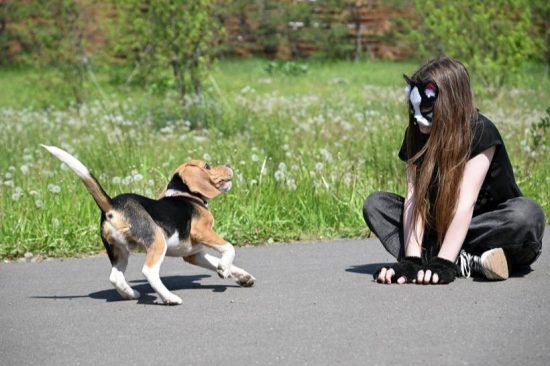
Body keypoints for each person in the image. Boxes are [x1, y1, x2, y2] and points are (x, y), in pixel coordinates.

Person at [362, 56, 545, 285]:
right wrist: (410, 261)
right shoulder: (416, 135)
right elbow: (414, 200)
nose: (418, 119)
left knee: (527, 214)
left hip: (489, 229)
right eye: (414, 109)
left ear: (450, 104)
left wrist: (443, 263)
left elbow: (464, 202)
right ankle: (469, 261)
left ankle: (450, 258)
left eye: (427, 109)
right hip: (440, 227)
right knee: (376, 204)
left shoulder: (479, 131)